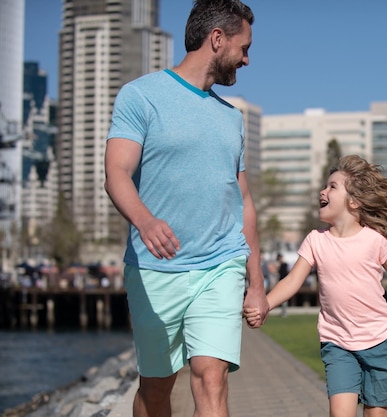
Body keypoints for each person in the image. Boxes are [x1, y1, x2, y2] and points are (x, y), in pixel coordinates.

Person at [103, 1, 269, 416]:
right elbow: (116, 173)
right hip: (155, 269)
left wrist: (257, 281)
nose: (247, 59)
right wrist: (144, 220)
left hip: (220, 263)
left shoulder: (232, 119)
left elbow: (242, 201)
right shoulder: (141, 96)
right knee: (157, 389)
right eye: (244, 47)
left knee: (211, 379)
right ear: (217, 39)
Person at [245, 155, 387, 417]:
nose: (323, 191)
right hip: (337, 341)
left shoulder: (374, 240)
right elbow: (293, 280)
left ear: (353, 201)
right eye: (325, 186)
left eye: (332, 186)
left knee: (376, 412)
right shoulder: (315, 241)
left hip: (379, 340)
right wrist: (265, 304)